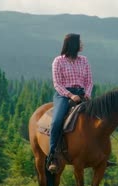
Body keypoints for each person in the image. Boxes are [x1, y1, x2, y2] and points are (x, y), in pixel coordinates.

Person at [48, 33, 92, 173]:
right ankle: (53, 156)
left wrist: (87, 94)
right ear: (73, 45)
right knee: (56, 121)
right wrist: (71, 96)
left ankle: (100, 154)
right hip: (63, 95)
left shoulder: (84, 60)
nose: (82, 45)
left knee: (99, 119)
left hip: (83, 94)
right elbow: (57, 84)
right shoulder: (58, 61)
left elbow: (89, 81)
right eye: (80, 42)